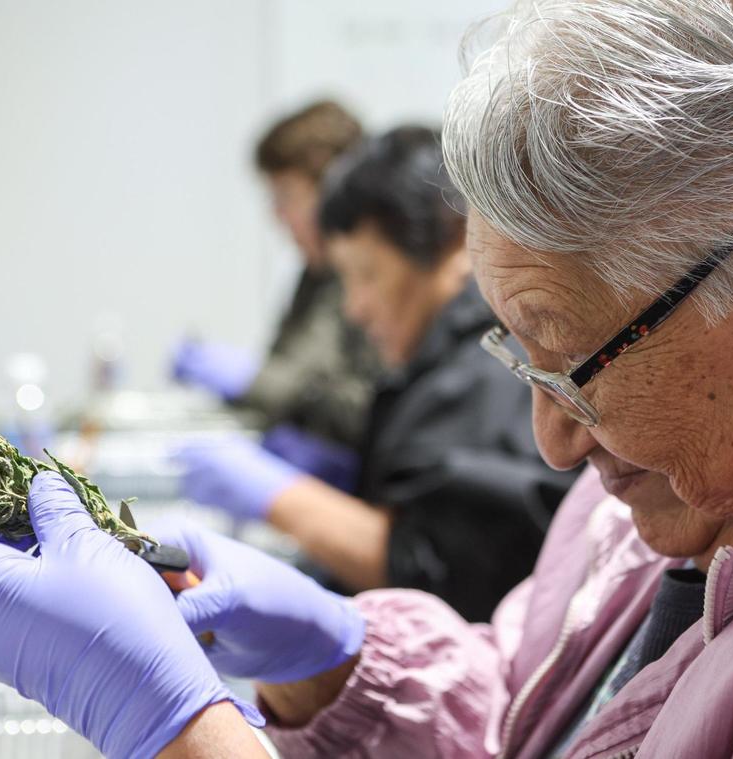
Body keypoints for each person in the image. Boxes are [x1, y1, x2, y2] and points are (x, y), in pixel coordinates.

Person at [0, 1, 733, 757]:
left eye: (578, 363)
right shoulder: (695, 469)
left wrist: (180, 728)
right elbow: (531, 707)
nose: (551, 439)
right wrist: (342, 668)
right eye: (521, 355)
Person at [174, 126, 577, 622]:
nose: (355, 307)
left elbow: (440, 572)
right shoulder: (440, 356)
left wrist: (283, 498)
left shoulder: (485, 367)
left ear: (448, 248)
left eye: (366, 275)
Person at [173, 100, 380, 484]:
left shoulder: (380, 278)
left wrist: (257, 382)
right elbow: (289, 367)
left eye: (286, 196)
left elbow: (367, 406)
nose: (276, 215)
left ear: (333, 191)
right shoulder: (313, 277)